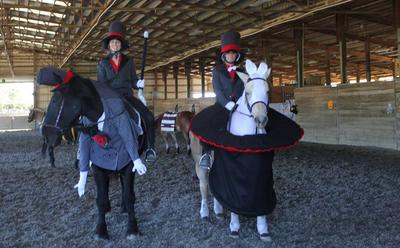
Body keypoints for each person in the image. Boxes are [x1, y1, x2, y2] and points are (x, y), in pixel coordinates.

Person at [97, 20, 156, 163]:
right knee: (90, 118)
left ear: (121, 45)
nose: (115, 44)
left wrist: (138, 83)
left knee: (148, 116)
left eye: (117, 42)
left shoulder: (129, 61)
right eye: (112, 42)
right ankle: (83, 151)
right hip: (110, 99)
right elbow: (101, 84)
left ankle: (150, 148)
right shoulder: (102, 63)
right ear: (109, 45)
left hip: (127, 96)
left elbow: (133, 80)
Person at [199, 30, 245, 169]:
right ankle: (206, 154)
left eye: (233, 53)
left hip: (240, 105)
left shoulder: (243, 71)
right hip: (222, 104)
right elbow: (217, 90)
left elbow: (245, 89)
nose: (231, 55)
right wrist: (227, 103)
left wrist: (239, 103)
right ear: (223, 55)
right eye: (228, 53)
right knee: (208, 122)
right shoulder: (217, 70)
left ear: (237, 55)